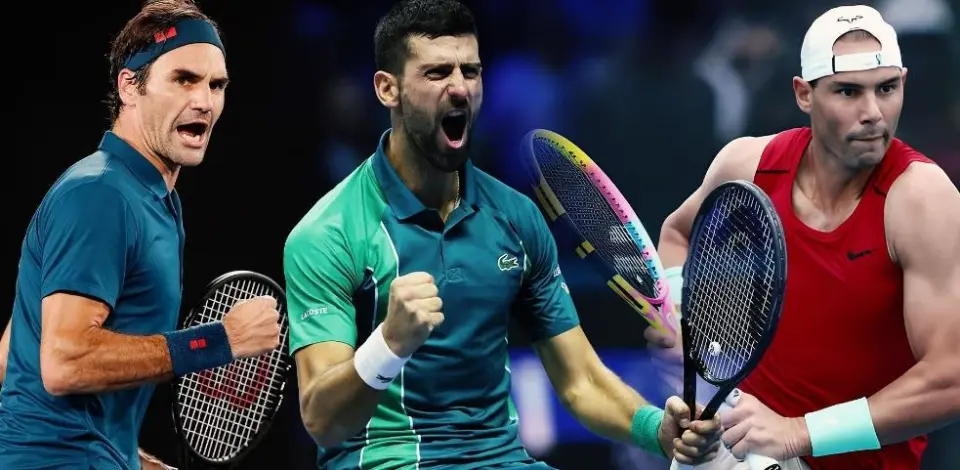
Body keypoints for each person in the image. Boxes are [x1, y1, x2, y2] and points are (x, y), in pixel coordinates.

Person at [283, 1, 723, 469]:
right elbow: (322, 420)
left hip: (503, 459)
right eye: (436, 73)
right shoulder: (328, 234)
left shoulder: (516, 218)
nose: (460, 88)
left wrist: (657, 429)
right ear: (387, 89)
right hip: (389, 461)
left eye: (470, 71)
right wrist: (388, 344)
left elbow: (581, 381)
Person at [649, 5, 960, 470]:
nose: (873, 113)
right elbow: (678, 233)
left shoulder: (922, 199)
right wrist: (679, 323)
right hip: (745, 449)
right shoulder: (748, 164)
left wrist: (799, 433)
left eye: (886, 88)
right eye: (848, 91)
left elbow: (951, 378)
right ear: (804, 94)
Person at [0, 1, 281, 469]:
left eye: (216, 85)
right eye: (184, 79)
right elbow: (63, 362)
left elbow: (15, 355)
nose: (204, 101)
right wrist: (220, 340)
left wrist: (130, 457)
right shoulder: (101, 195)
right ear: (130, 87)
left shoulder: (148, 198)